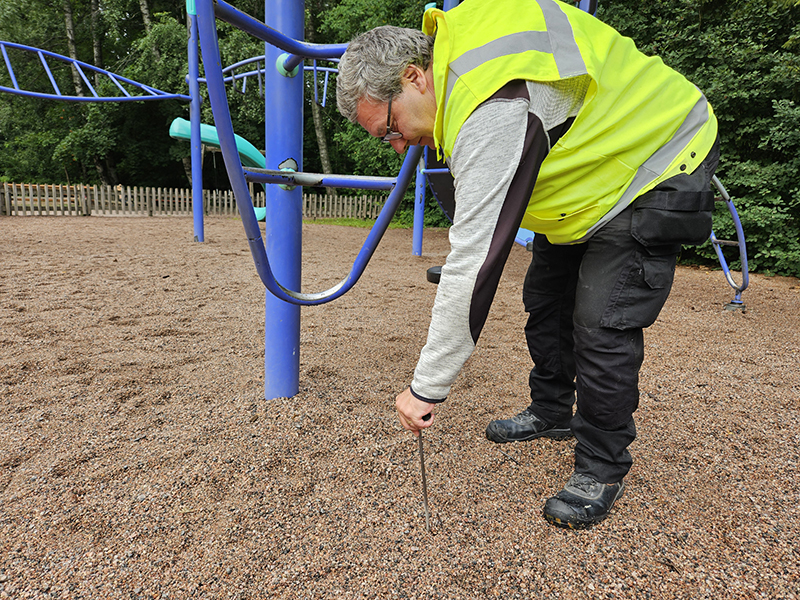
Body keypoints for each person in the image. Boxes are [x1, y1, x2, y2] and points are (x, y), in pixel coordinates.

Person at [336, 0, 719, 529]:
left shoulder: (488, 102)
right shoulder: (458, 59)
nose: (400, 145)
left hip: (655, 157)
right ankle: (552, 411)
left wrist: (426, 386)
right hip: (588, 177)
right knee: (546, 297)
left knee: (600, 321)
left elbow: (475, 261)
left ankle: (601, 467)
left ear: (414, 77)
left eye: (391, 128)